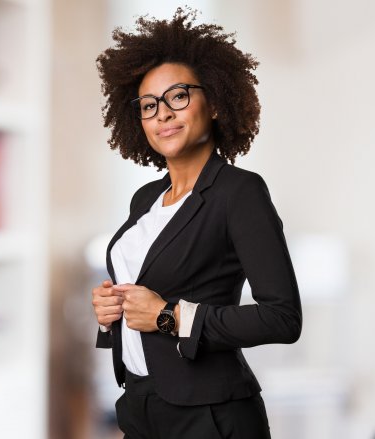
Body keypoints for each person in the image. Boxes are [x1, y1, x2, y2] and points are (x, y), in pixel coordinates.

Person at [91, 8, 302, 438]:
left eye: (179, 96)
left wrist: (169, 316)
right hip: (140, 405)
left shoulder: (239, 192)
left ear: (217, 103)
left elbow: (282, 318)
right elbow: (149, 288)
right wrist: (110, 311)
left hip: (209, 416)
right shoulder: (146, 198)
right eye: (149, 105)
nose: (163, 113)